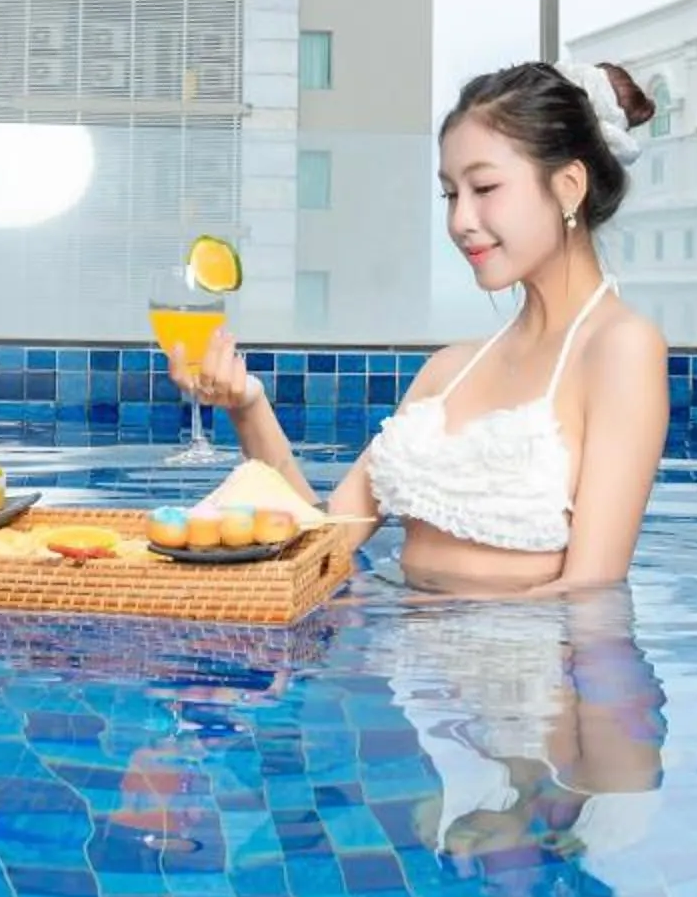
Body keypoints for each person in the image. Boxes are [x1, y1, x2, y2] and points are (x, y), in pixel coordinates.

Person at [166, 59, 669, 595]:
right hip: (411, 664)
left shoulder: (621, 349)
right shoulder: (448, 371)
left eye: (485, 187)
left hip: (532, 668)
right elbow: (325, 539)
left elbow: (591, 589)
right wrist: (248, 406)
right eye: (451, 194)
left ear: (569, 186)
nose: (460, 221)